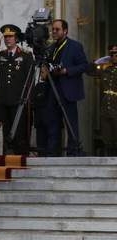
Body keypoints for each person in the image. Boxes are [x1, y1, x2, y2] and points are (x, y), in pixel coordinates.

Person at [42, 19, 88, 156]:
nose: (54, 32)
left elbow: (84, 66)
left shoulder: (75, 46)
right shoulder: (51, 48)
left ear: (65, 30)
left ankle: (73, 153)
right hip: (53, 90)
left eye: (57, 29)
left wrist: (66, 71)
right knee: (52, 123)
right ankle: (52, 153)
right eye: (53, 29)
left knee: (71, 124)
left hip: (68, 90)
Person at [0, 24, 34, 154]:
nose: (7, 39)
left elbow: (30, 79)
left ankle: (19, 160)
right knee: (6, 136)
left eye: (10, 37)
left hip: (19, 102)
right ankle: (7, 161)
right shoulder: (1, 54)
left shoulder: (26, 55)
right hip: (4, 102)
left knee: (19, 135)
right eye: (5, 37)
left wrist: (30, 101)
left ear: (16, 38)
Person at [92, 44, 117, 155]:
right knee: (107, 138)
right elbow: (88, 71)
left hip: (116, 107)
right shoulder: (106, 70)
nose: (114, 57)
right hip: (106, 107)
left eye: (116, 54)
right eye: (112, 55)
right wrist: (97, 63)